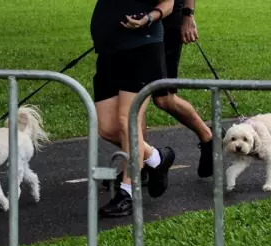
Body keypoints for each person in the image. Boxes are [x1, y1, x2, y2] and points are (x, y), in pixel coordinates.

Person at [90, 0, 177, 218]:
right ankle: (156, 157)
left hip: (143, 49)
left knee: (127, 121)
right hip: (109, 51)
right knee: (107, 128)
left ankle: (128, 193)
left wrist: (148, 18)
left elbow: (169, 4)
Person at [152, 0, 220, 179]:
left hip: (165, 23)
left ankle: (141, 163)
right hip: (143, 24)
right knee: (158, 97)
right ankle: (142, 161)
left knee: (160, 96)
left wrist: (188, 15)